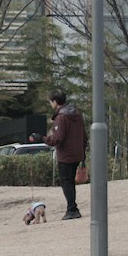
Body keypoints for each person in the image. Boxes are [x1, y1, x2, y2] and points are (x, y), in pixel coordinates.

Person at [46, 92, 87, 220]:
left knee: (66, 182)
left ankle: (72, 209)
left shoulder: (61, 117)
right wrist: (83, 153)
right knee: (70, 181)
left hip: (65, 155)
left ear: (54, 102)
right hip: (77, 154)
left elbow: (57, 139)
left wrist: (43, 138)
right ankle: (72, 207)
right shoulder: (77, 114)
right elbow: (84, 136)